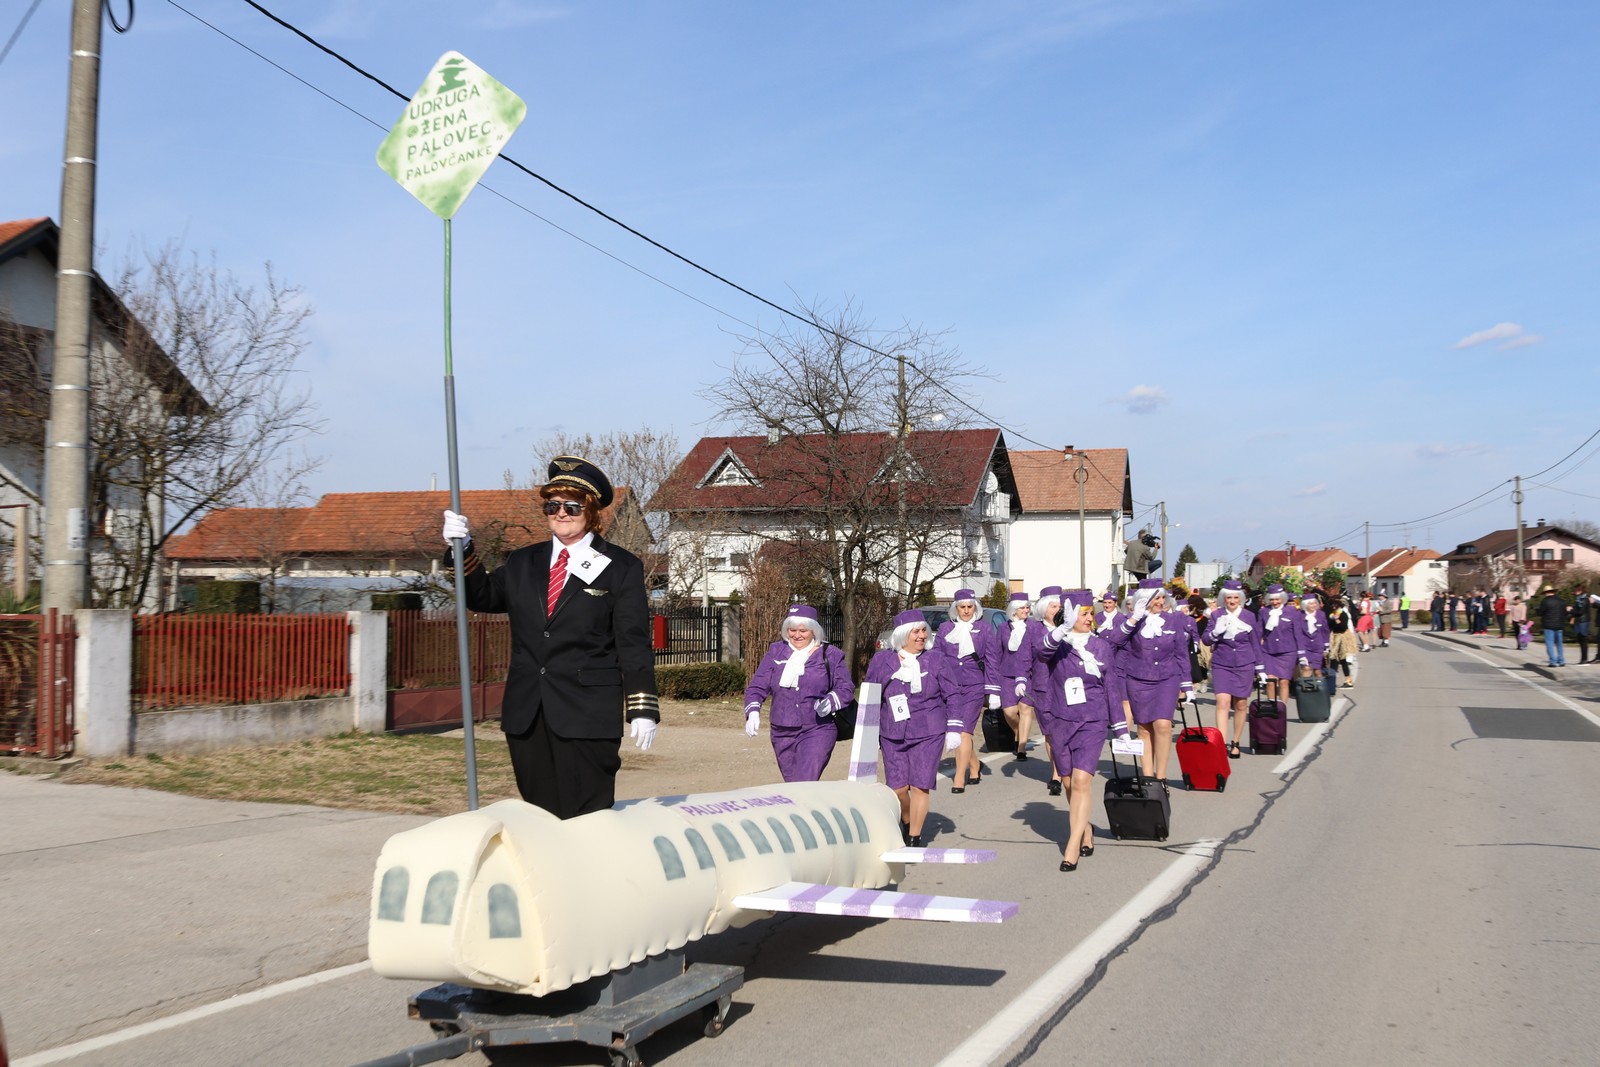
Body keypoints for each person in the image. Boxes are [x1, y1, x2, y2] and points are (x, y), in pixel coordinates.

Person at [442, 456, 658, 819]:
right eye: (552, 505)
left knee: (587, 818)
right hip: (528, 713)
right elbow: (483, 596)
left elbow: (633, 641)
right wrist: (461, 550)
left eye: (571, 505)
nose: (561, 513)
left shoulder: (621, 566)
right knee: (539, 818)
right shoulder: (523, 562)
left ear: (590, 511)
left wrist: (642, 707)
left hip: (587, 714)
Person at [1039, 590, 1130, 871]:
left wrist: (1121, 727)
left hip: (1093, 720)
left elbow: (1111, 687)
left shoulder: (1101, 647)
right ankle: (1086, 830)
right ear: (1070, 616)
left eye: (1092, 613)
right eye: (1084, 613)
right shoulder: (1058, 645)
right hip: (1062, 721)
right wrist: (1061, 630)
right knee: (1067, 782)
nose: (1091, 618)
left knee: (1081, 781)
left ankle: (1072, 845)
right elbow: (1041, 652)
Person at [864, 609, 959, 847]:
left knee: (920, 784)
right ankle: (907, 821)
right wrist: (868, 734)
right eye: (915, 631)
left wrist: (955, 728)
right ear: (903, 634)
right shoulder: (883, 660)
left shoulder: (935, 659)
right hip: (892, 732)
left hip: (929, 730)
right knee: (897, 788)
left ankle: (915, 836)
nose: (921, 635)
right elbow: (870, 694)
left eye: (923, 630)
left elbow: (953, 694)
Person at [742, 604, 853, 782]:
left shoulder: (830, 654)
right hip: (781, 731)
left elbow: (845, 688)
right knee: (792, 785)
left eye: (803, 630)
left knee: (805, 782)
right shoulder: (776, 652)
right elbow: (757, 686)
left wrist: (830, 701)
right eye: (792, 630)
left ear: (814, 631)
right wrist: (753, 712)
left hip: (817, 729)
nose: (797, 635)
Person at [1107, 579, 1194, 788]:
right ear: (1144, 600)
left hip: (1167, 678)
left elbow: (1182, 654)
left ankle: (1161, 777)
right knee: (1144, 729)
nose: (1161, 602)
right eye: (1156, 598)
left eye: (1163, 597)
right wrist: (1134, 619)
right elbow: (1114, 641)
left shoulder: (1175, 620)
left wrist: (1187, 684)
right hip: (1138, 680)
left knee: (1163, 725)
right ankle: (1148, 777)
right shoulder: (1133, 621)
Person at [935, 588, 1003, 791]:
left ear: (975, 607)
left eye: (969, 606)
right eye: (962, 607)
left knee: (964, 731)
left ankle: (959, 777)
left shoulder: (984, 629)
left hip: (974, 685)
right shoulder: (945, 628)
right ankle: (974, 766)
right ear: (955, 608)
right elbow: (936, 658)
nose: (966, 610)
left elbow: (992, 660)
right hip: (950, 687)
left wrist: (994, 691)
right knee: (954, 730)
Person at [1200, 579, 1266, 757]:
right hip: (1222, 663)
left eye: (1236, 597)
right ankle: (1220, 743)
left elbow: (1255, 643)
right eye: (1229, 597)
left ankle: (1235, 742)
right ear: (1223, 598)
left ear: (1241, 599)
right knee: (1222, 702)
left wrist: (1260, 668)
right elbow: (1206, 639)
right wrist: (1215, 632)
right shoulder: (1216, 615)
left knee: (1241, 703)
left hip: (1245, 663)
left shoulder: (1249, 616)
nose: (1232, 601)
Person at [1257, 583, 1308, 706]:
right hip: (1269, 651)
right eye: (1272, 599)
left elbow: (1298, 634)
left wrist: (1302, 654)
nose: (1274, 602)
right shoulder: (1263, 612)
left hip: (1287, 652)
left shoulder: (1292, 611)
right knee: (1270, 681)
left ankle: (1282, 710)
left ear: (1283, 598)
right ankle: (1272, 707)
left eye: (1277, 599)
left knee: (1284, 682)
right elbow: (1259, 632)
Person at [1325, 597, 1357, 687]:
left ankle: (1348, 680)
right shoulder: (1332, 614)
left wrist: (1336, 620)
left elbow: (1343, 627)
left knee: (1342, 659)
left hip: (1341, 637)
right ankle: (1332, 680)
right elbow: (1330, 626)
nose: (1333, 607)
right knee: (1334, 659)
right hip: (1334, 637)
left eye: (1335, 605)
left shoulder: (1343, 614)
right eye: (1332, 605)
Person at [1537, 586, 1570, 667]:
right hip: (1559, 625)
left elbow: (1540, 613)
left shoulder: (1545, 601)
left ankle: (1553, 661)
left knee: (1550, 644)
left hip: (1548, 625)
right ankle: (1561, 660)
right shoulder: (1561, 601)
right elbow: (1565, 613)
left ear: (1546, 593)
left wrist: (1537, 610)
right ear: (1554, 592)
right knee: (1559, 644)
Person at [1571, 584, 1598, 664]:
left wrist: (1571, 611)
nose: (1574, 592)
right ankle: (1582, 659)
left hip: (1583, 621)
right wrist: (1572, 609)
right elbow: (1577, 609)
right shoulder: (1579, 599)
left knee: (1583, 640)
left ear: (1580, 590)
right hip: (1579, 621)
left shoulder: (1584, 599)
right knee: (1580, 640)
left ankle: (1584, 659)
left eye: (1575, 590)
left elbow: (1581, 612)